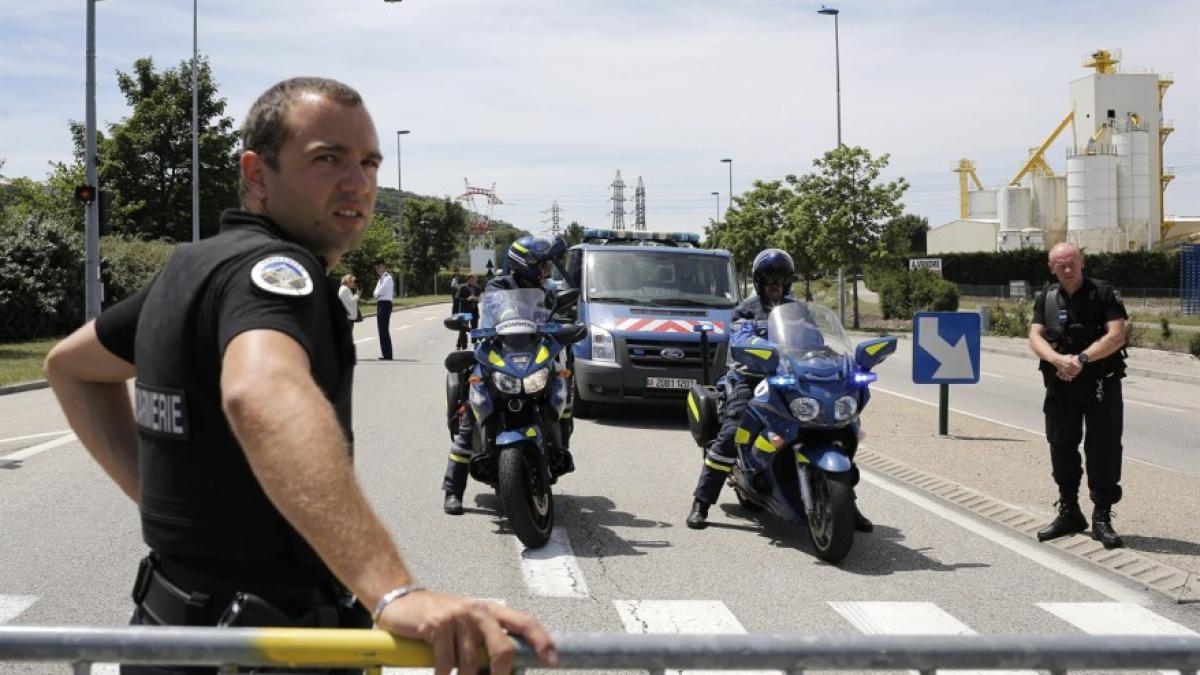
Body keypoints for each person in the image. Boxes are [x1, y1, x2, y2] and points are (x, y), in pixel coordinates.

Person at [42, 77, 556, 675]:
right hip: (269, 648)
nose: (358, 182)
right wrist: (393, 592)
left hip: (171, 630)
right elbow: (261, 394)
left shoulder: (194, 266)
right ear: (258, 174)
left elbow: (71, 368)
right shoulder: (279, 272)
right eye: (327, 159)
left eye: (368, 162)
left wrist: (163, 503)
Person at [685, 249, 874, 533]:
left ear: (788, 282)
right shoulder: (745, 310)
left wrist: (835, 360)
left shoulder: (799, 311)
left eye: (781, 279)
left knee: (839, 427)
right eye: (769, 279)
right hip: (751, 377)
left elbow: (818, 343)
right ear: (759, 281)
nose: (775, 284)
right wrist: (762, 351)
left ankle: (846, 504)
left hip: (790, 378)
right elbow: (740, 339)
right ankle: (701, 502)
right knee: (732, 430)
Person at [442, 236, 571, 515]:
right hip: (500, 354)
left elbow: (554, 319)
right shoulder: (498, 286)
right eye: (543, 263)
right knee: (471, 419)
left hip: (532, 354)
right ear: (526, 264)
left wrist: (564, 327)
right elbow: (492, 315)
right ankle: (453, 489)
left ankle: (558, 449)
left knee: (560, 392)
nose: (548, 269)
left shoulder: (546, 290)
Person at [1029, 242, 1129, 549]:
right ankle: (1069, 511)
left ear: (1082, 262)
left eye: (1072, 262)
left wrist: (1081, 359)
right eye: (1061, 264)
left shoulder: (1103, 293)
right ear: (1051, 268)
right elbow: (1035, 335)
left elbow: (1116, 334)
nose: (1067, 268)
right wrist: (1058, 360)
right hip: (1061, 385)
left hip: (1100, 385)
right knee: (1061, 446)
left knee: (1103, 449)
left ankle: (1102, 516)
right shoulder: (1046, 297)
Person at [373, 260, 395, 360]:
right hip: (380, 304)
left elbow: (380, 292)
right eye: (376, 268)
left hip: (385, 304)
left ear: (383, 267)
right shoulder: (380, 279)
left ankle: (388, 354)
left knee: (384, 329)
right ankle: (385, 354)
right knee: (381, 330)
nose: (377, 269)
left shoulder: (388, 278)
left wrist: (377, 294)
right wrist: (377, 294)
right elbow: (375, 293)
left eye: (378, 267)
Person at [454, 275, 481, 351]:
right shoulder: (463, 287)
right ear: (469, 280)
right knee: (464, 328)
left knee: (474, 329)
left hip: (474, 311)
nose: (475, 281)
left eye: (475, 280)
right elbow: (457, 298)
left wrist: (477, 299)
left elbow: (480, 298)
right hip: (466, 311)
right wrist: (467, 299)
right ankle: (461, 345)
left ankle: (474, 346)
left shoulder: (477, 288)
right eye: (473, 280)